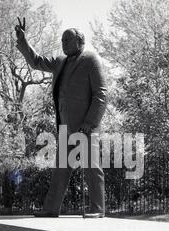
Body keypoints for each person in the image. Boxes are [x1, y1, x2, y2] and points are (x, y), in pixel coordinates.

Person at [15, 18, 107, 218]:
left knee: (92, 168)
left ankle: (98, 210)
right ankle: (51, 208)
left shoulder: (91, 59)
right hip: (65, 127)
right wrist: (23, 41)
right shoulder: (59, 62)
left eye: (67, 39)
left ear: (79, 42)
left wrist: (89, 124)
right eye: (62, 39)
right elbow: (36, 61)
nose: (63, 42)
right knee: (60, 170)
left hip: (86, 127)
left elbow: (101, 95)